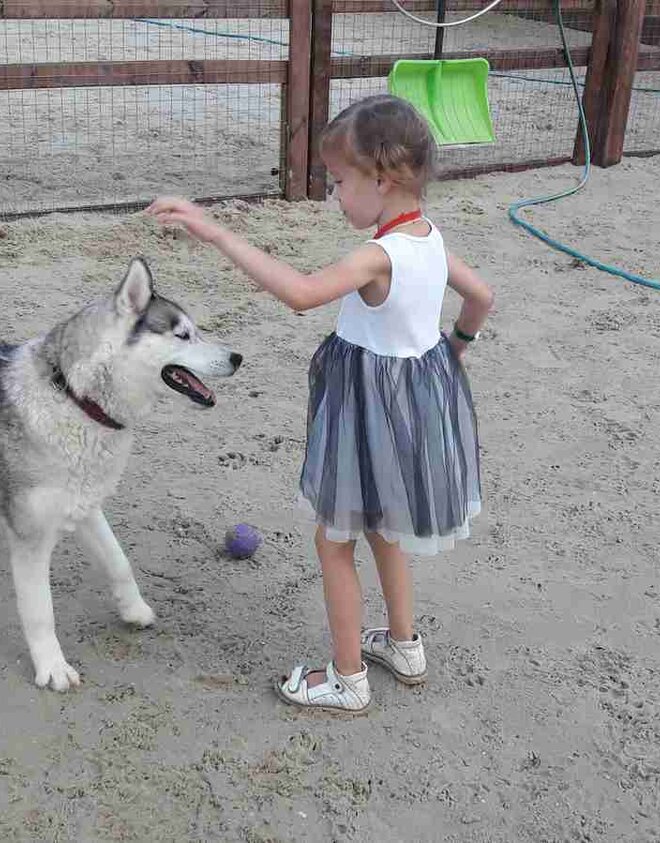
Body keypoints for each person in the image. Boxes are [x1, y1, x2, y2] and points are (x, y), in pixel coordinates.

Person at [146, 94, 494, 713]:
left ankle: (347, 677)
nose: (335, 196)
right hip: (413, 409)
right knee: (386, 526)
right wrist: (454, 351)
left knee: (335, 542)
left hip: (366, 412)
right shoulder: (430, 239)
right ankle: (404, 644)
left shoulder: (377, 255)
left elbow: (302, 295)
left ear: (381, 179)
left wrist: (215, 230)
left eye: (338, 182)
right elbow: (481, 298)